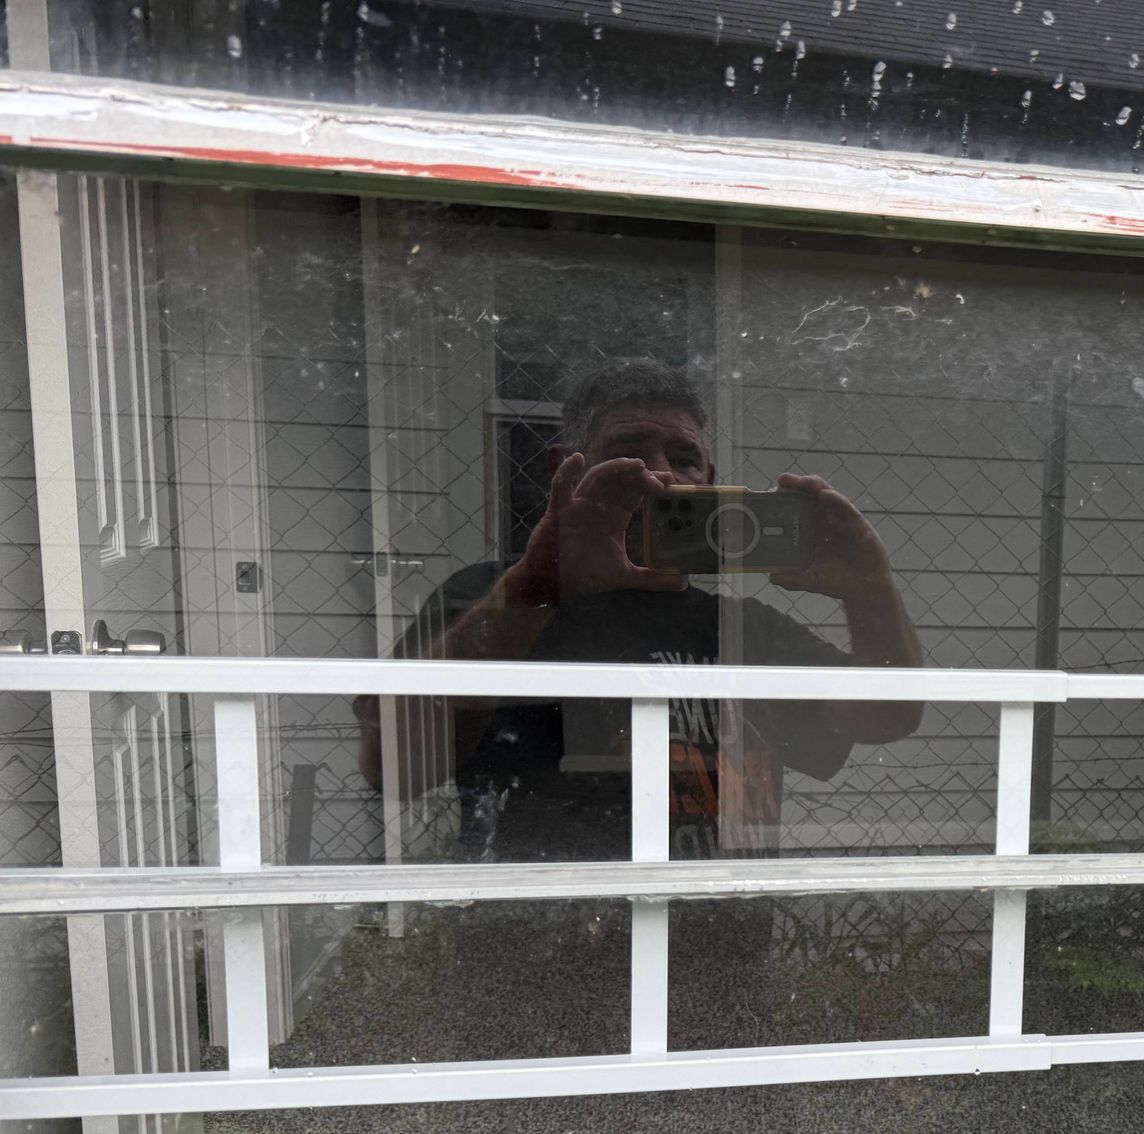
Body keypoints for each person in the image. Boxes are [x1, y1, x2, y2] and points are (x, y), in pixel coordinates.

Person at [352, 359, 924, 1047]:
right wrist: (540, 583)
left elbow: (886, 714)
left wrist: (869, 588)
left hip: (715, 985)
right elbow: (391, 763)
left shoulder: (740, 629)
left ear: (710, 485)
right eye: (629, 458)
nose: (661, 476)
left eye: (684, 458)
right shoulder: (496, 598)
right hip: (529, 985)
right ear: (571, 472)